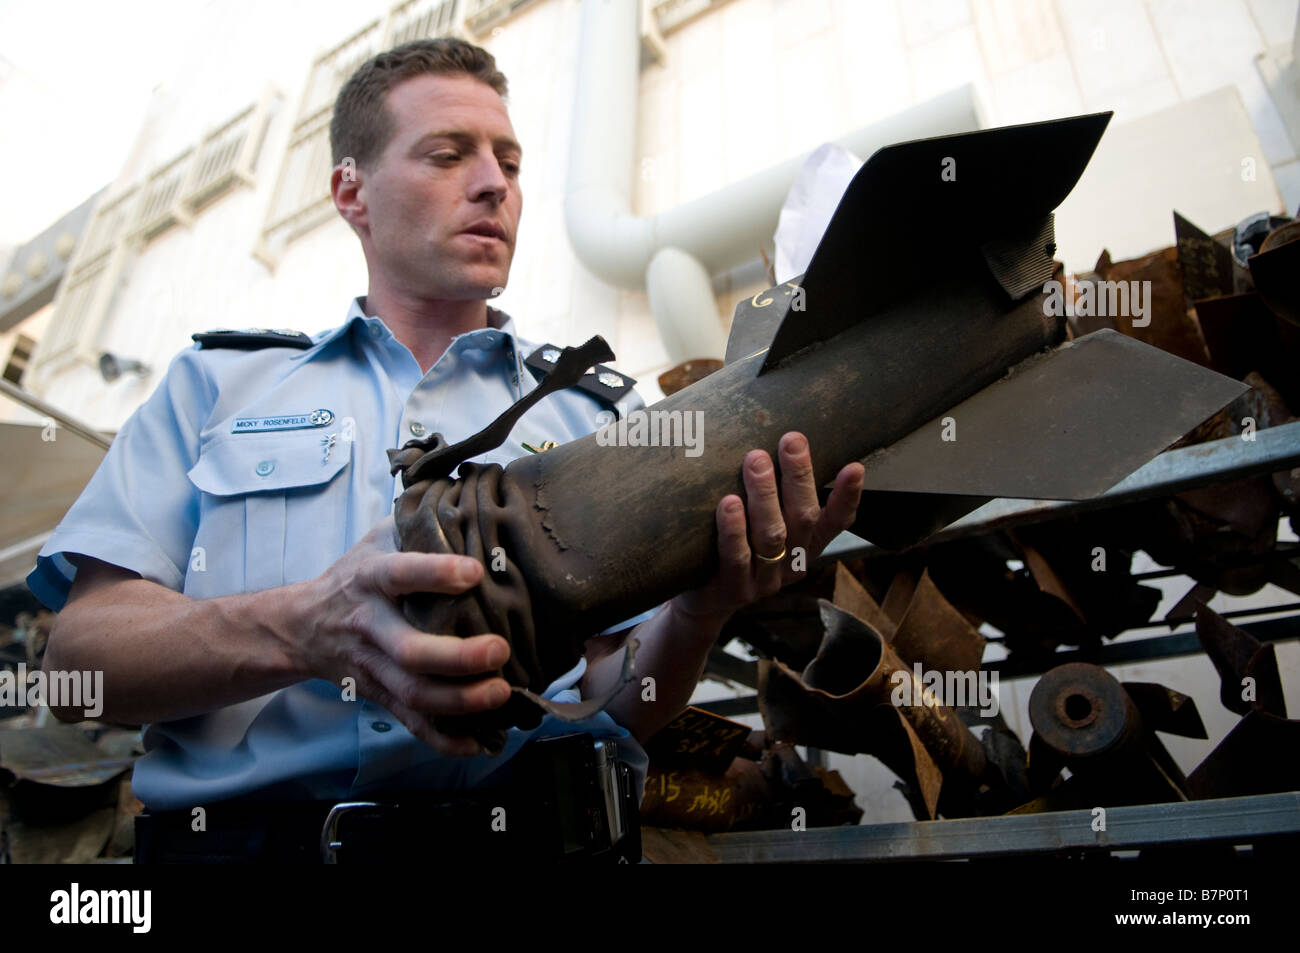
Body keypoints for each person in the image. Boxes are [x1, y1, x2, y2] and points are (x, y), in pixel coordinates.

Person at [29, 38, 864, 861]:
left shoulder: (600, 416)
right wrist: (303, 627)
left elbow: (621, 700)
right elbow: (79, 668)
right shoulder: (217, 385)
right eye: (446, 154)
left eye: (510, 160)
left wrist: (699, 609)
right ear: (350, 192)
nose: (493, 182)